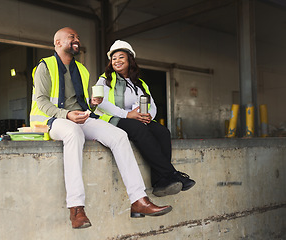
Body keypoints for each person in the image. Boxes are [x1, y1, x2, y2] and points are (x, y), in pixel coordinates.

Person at [30, 28, 172, 229]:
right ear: (58, 43)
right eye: (72, 37)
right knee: (74, 134)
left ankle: (139, 200)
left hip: (81, 116)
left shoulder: (82, 70)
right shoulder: (45, 66)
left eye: (78, 37)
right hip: (54, 120)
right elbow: (42, 101)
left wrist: (92, 104)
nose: (77, 40)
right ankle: (76, 208)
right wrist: (67, 115)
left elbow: (82, 103)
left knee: (119, 135)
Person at [95, 40, 196, 198]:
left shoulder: (140, 83)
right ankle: (171, 173)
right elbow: (101, 104)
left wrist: (148, 116)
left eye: (121, 57)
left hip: (136, 120)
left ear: (130, 60)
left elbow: (151, 105)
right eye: (113, 58)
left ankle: (160, 182)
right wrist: (127, 114)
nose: (116, 61)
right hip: (114, 120)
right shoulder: (105, 79)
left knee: (162, 132)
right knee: (139, 129)